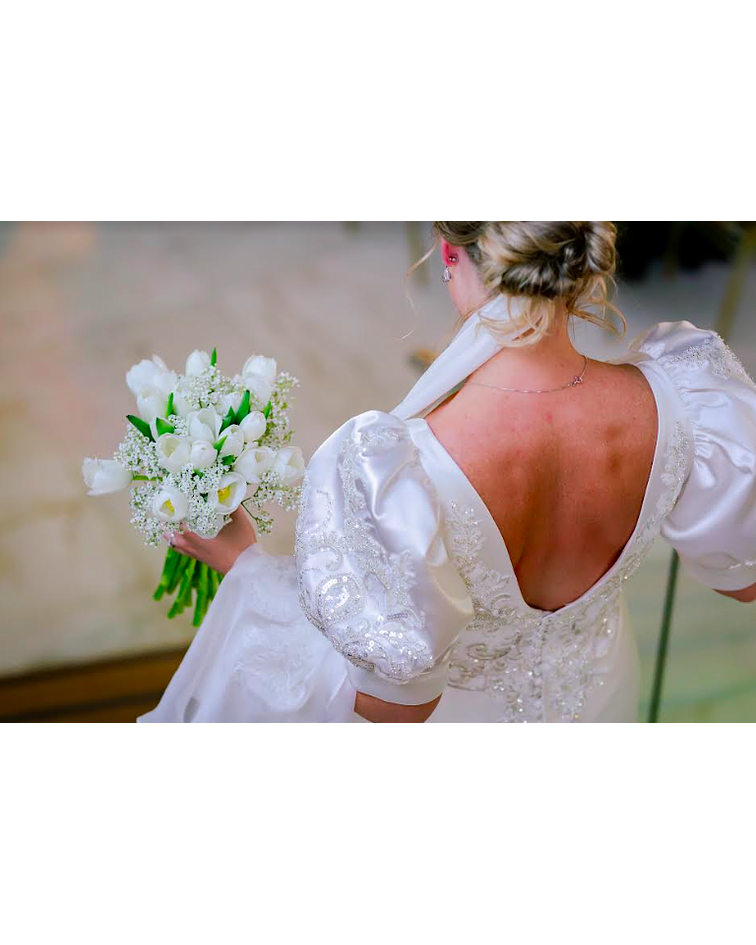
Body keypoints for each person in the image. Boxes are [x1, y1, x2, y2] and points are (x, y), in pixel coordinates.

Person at [137, 221, 756, 724]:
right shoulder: (683, 398)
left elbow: (393, 705)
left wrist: (249, 570)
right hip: (603, 694)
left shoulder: (394, 473)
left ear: (450, 254)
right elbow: (741, 580)